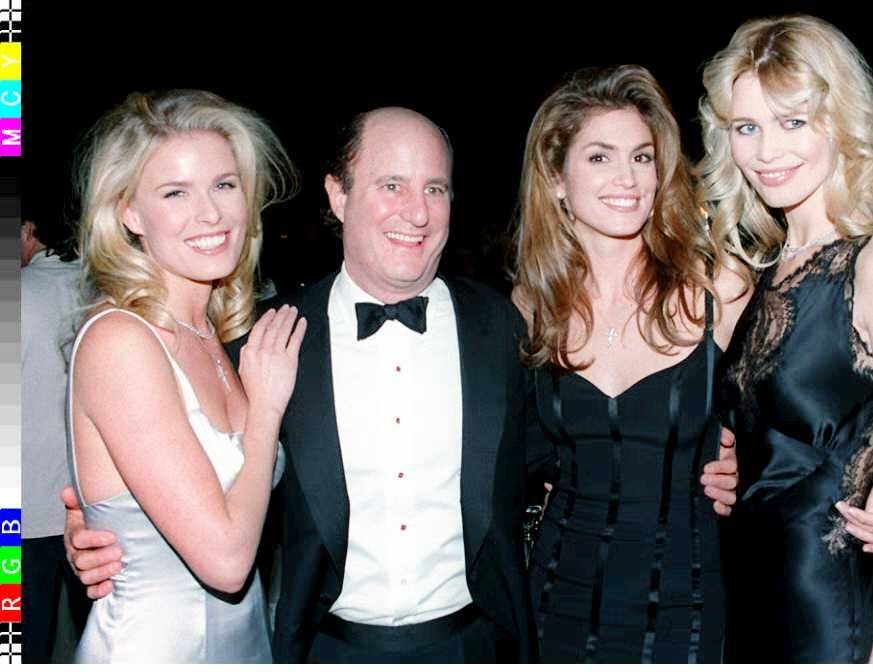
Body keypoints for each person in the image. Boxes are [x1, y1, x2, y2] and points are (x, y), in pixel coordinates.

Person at [67, 106, 538, 664]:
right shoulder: (271, 340)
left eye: (434, 189)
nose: (417, 212)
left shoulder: (500, 327)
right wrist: (104, 524)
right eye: (391, 185)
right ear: (337, 196)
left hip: (476, 644)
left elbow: (561, 462)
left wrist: (106, 523)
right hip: (314, 648)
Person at [512, 64, 873, 663]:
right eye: (600, 157)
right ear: (556, 178)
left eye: (642, 158)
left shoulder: (719, 287)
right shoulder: (530, 306)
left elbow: (837, 379)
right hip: (556, 599)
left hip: (688, 604)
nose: (627, 178)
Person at [700, 15, 873, 663]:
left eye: (793, 121)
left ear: (840, 121)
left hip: (828, 621)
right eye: (746, 128)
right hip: (742, 612)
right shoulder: (761, 273)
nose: (766, 151)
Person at [65, 89, 304, 663]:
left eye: (224, 184)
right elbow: (226, 561)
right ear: (129, 212)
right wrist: (266, 410)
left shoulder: (219, 336)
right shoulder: (121, 341)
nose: (211, 213)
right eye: (175, 192)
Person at [21, 208, 90, 662]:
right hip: (93, 499)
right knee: (100, 631)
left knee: (18, 632)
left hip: (21, 509)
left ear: (28, 229)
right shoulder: (97, 285)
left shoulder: (19, 292)